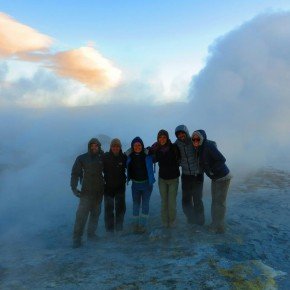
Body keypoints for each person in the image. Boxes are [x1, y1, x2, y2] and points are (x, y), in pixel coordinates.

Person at [191, 130, 232, 234]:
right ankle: (215, 224)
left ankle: (219, 226)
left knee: (219, 203)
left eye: (197, 138)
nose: (195, 140)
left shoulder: (208, 146)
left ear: (202, 138)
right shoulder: (199, 148)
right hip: (215, 177)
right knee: (215, 201)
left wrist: (212, 170)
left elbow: (222, 159)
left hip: (223, 177)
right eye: (193, 139)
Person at [70, 138, 104, 248]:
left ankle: (91, 234)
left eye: (96, 146)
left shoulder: (102, 157)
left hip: (98, 191)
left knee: (95, 214)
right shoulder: (82, 158)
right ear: (89, 146)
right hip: (86, 192)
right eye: (92, 146)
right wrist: (74, 188)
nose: (94, 147)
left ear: (99, 146)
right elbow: (75, 173)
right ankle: (77, 238)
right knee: (81, 216)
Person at [149, 129, 180, 228]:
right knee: (164, 202)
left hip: (173, 179)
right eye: (160, 137)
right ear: (158, 139)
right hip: (162, 179)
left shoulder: (174, 147)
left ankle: (172, 221)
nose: (162, 139)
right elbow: (150, 156)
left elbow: (180, 158)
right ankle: (164, 222)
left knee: (171, 203)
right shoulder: (156, 149)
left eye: (164, 137)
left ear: (167, 138)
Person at [175, 125, 205, 226]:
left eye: (182, 133)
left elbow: (205, 142)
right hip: (186, 176)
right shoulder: (177, 144)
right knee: (186, 201)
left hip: (198, 175)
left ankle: (200, 222)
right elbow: (167, 148)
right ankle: (191, 220)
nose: (181, 135)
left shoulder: (193, 140)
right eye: (178, 134)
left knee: (197, 200)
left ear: (186, 132)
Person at [126, 137, 155, 233]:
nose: (137, 147)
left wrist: (149, 150)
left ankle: (143, 225)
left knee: (145, 204)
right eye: (135, 145)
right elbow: (121, 157)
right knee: (136, 205)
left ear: (142, 146)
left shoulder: (148, 155)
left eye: (139, 145)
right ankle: (135, 225)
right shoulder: (130, 156)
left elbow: (157, 153)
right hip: (135, 185)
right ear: (132, 147)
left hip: (147, 184)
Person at [103, 138, 127, 233]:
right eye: (113, 146)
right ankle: (109, 231)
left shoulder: (123, 157)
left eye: (117, 146)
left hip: (120, 187)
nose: (115, 148)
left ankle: (119, 228)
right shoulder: (105, 156)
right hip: (108, 187)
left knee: (120, 209)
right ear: (111, 147)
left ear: (120, 147)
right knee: (109, 210)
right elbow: (98, 167)